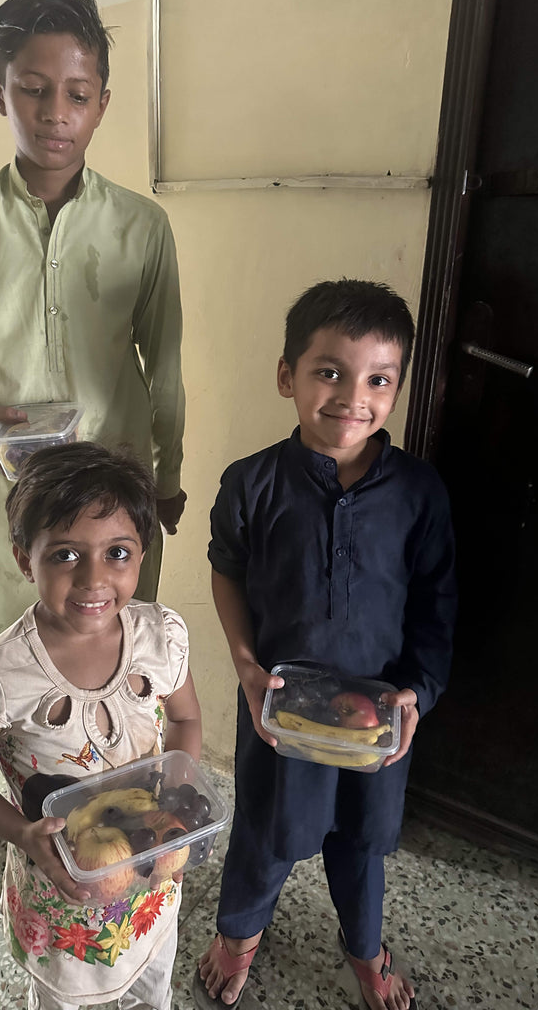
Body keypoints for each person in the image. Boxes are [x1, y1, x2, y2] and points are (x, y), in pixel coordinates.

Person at [0, 0, 186, 920]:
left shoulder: (142, 227)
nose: (55, 114)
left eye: (77, 92)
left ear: (103, 100)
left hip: (113, 513)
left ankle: (109, 818)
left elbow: (166, 365)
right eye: (33, 90)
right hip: (8, 507)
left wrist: (169, 481)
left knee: (110, 662)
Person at [192, 280, 456, 1010]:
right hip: (277, 705)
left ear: (398, 388)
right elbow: (227, 569)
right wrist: (246, 665)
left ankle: (366, 950)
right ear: (288, 376)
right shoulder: (250, 483)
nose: (352, 397)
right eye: (330, 372)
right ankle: (239, 933)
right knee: (266, 829)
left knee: (362, 839)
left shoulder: (419, 494)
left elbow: (437, 604)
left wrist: (418, 693)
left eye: (378, 379)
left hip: (378, 717)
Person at [0, 442, 201, 1009]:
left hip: (149, 867)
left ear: (142, 553)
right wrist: (21, 832)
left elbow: (185, 716)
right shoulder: (5, 673)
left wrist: (180, 794)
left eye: (118, 552)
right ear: (24, 559)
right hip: (63, 885)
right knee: (66, 995)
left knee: (151, 980)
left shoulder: (159, 639)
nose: (94, 579)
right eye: (65, 555)